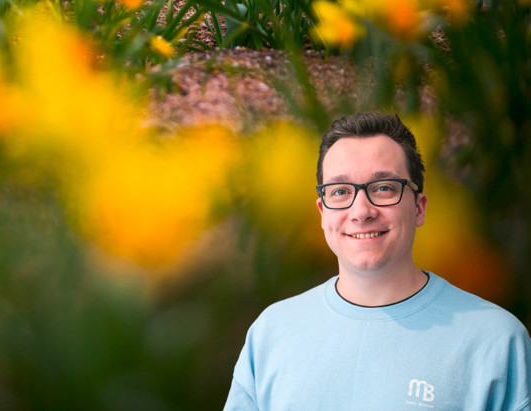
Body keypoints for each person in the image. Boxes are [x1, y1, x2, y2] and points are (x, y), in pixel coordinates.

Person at [224, 112, 531, 410]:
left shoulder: (496, 340)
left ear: (419, 207)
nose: (361, 211)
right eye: (341, 191)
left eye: (383, 188)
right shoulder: (271, 332)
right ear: (322, 213)